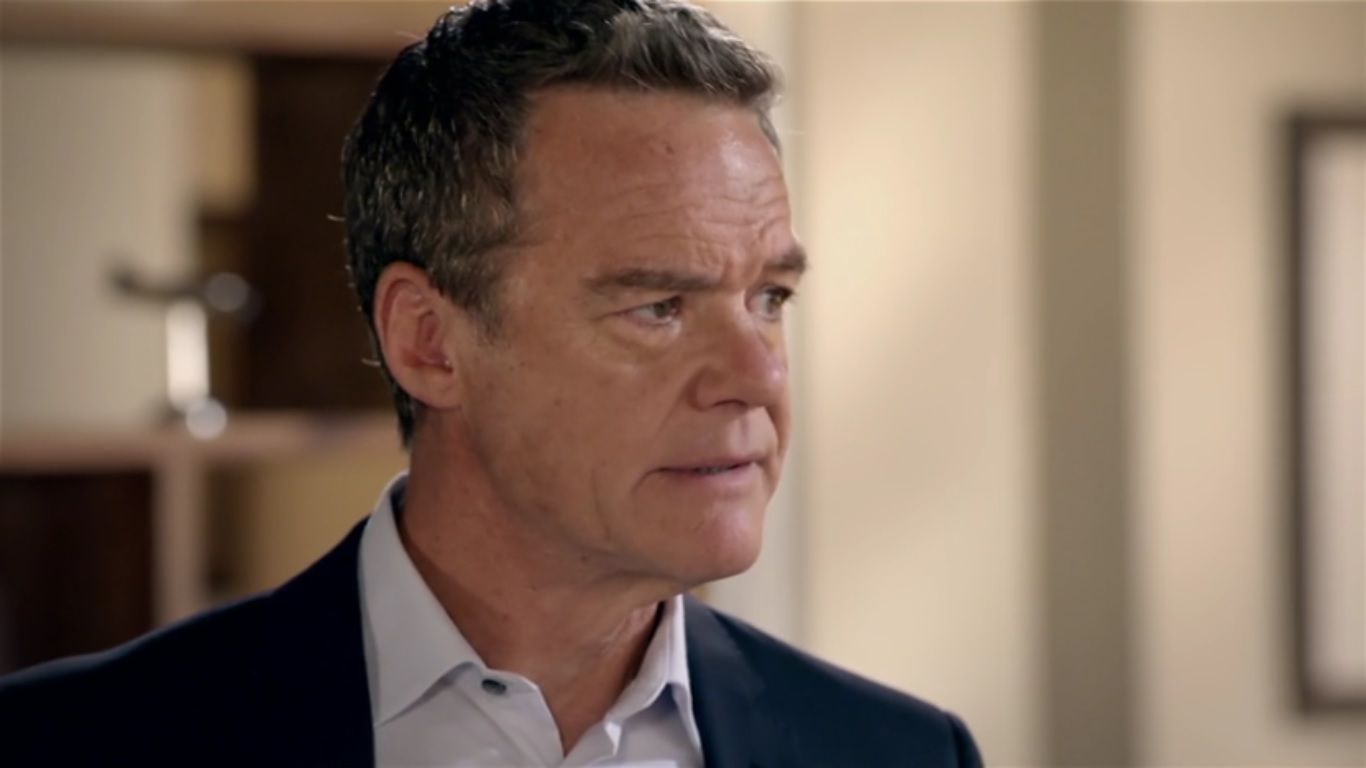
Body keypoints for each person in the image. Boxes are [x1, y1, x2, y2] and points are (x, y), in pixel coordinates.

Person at [0, 2, 983, 766]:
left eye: (770, 298)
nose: (756, 378)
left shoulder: (901, 754)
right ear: (429, 342)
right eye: (659, 307)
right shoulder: (71, 744)